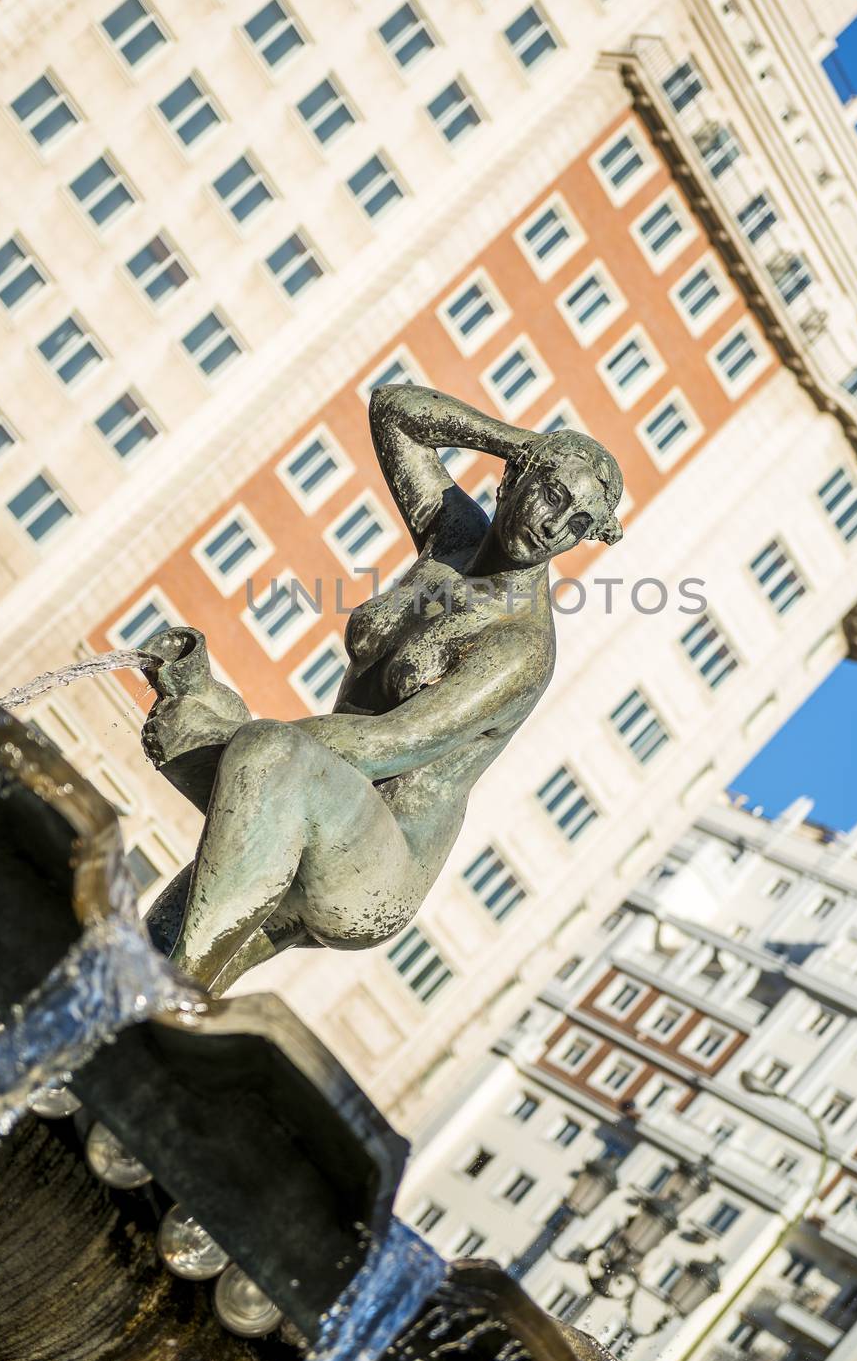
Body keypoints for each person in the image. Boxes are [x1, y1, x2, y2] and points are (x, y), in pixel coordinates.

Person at [142, 384, 623, 992]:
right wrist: (521, 442)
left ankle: (170, 996)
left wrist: (229, 733)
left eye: (578, 524)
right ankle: (145, 1010)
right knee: (144, 949)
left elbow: (386, 744)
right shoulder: (452, 538)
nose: (554, 526)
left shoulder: (519, 646)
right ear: (513, 478)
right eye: (552, 495)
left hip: (378, 869)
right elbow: (394, 412)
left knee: (259, 751)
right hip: (315, 797)